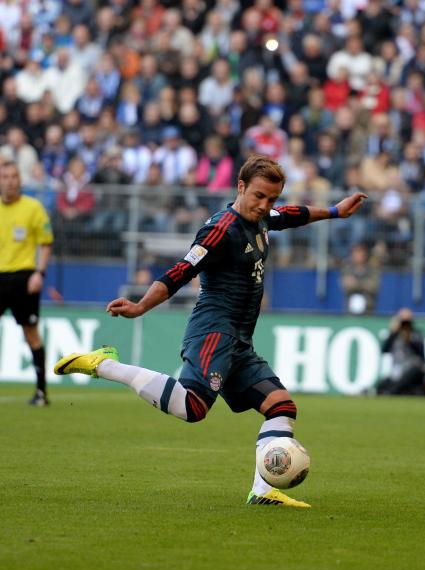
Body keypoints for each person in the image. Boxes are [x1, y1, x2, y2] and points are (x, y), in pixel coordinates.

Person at [53, 156, 366, 507]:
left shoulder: (262, 216)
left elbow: (292, 215)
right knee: (192, 407)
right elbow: (182, 270)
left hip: (239, 340)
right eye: (259, 196)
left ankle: (262, 492)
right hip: (214, 331)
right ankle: (104, 364)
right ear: (241, 186)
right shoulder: (220, 230)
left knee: (281, 406)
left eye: (271, 199)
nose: (265, 206)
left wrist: (335, 212)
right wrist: (140, 306)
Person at [0, 160, 54, 406]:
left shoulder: (33, 208)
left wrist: (39, 273)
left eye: (14, 176)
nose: (10, 181)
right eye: (5, 177)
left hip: (24, 278)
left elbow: (45, 242)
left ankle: (41, 392)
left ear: (19, 180)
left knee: (31, 333)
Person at [376, 308, 425, 396]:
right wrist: (393, 333)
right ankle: (391, 391)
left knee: (412, 372)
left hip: (413, 369)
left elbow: (422, 355)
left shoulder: (416, 334)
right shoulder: (394, 335)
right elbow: (384, 350)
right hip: (399, 369)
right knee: (382, 385)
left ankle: (391, 393)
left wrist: (409, 340)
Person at [340, 242, 381, 315]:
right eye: (355, 252)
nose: (357, 255)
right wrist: (364, 284)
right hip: (350, 312)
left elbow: (374, 286)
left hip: (368, 310)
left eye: (359, 252)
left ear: (365, 254)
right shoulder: (347, 269)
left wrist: (357, 283)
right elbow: (345, 284)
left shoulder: (372, 269)